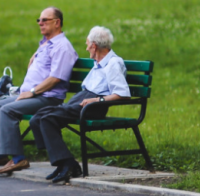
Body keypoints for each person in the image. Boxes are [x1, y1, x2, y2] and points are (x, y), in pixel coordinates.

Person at [0, 7, 78, 175]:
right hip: (33, 94)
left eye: (45, 20)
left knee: (7, 110)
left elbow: (56, 78)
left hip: (47, 98)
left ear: (57, 22)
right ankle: (0, 154)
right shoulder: (46, 44)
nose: (40, 23)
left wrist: (32, 92)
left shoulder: (62, 47)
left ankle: (18, 159)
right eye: (39, 20)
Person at [29, 26, 130, 183]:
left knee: (48, 119)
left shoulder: (113, 63)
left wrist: (97, 100)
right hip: (83, 100)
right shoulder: (99, 62)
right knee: (38, 117)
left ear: (94, 46)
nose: (86, 47)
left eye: (87, 44)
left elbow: (122, 94)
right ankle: (62, 162)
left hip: (93, 106)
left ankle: (69, 164)